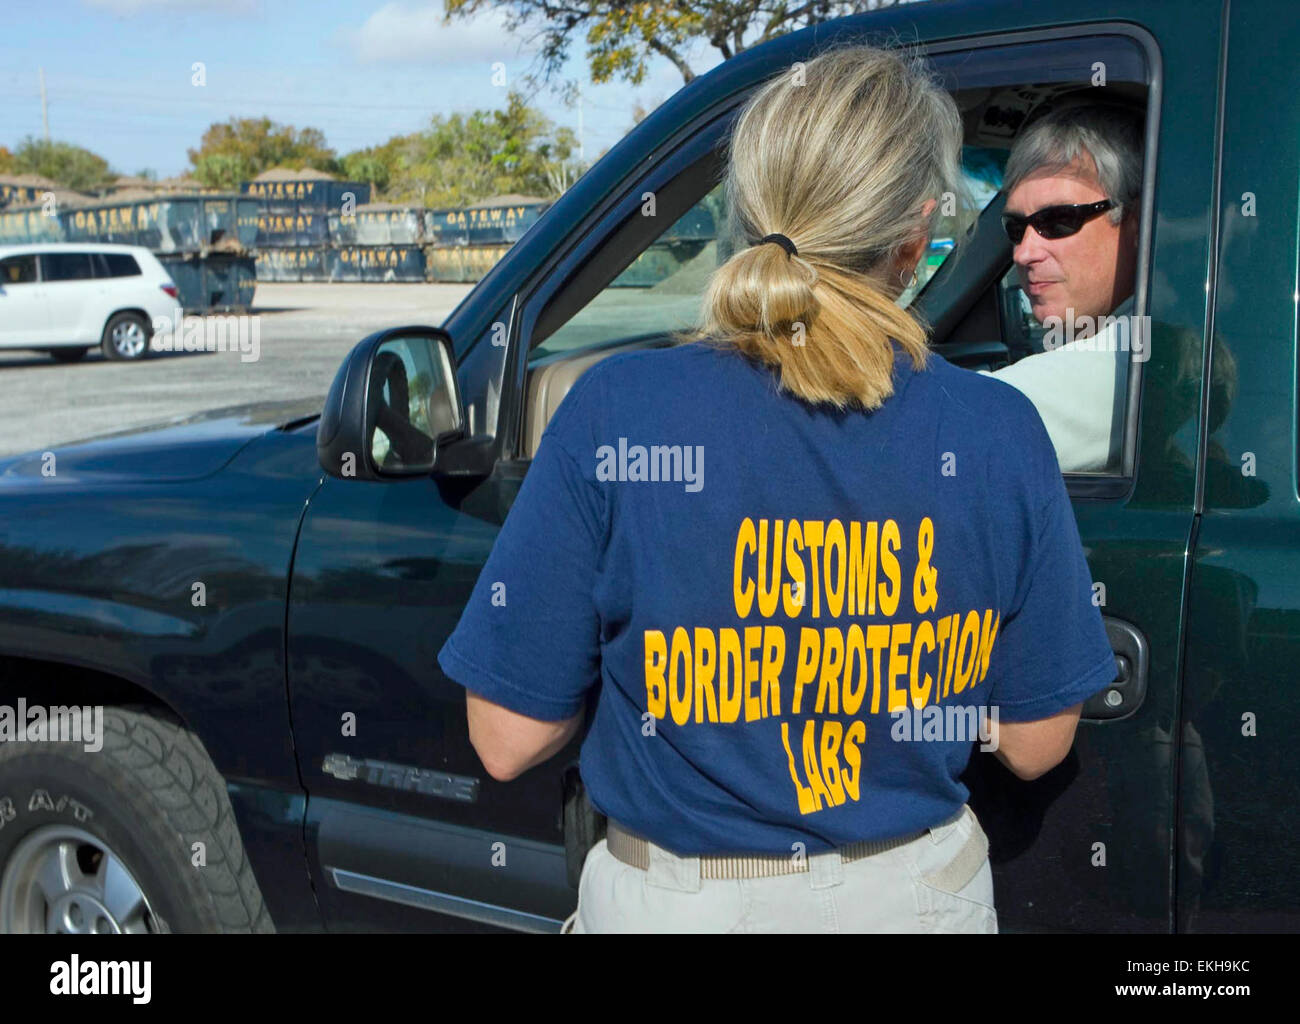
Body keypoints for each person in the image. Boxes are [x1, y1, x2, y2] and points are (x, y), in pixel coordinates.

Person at [436, 45, 1117, 933]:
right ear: (917, 236)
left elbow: (504, 736)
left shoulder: (618, 411)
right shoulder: (998, 429)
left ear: (748, 211)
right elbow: (1036, 745)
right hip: (918, 900)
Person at [985, 103, 1145, 472]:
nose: (1023, 253)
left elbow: (953, 425)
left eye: (1058, 220)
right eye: (1015, 228)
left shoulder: (1132, 361)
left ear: (1136, 226)